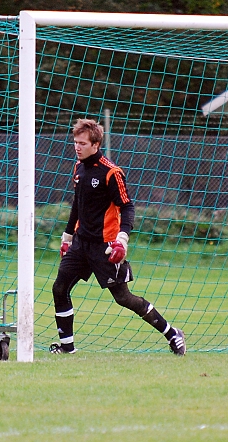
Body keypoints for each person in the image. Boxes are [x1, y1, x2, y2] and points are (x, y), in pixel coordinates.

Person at [50, 118, 186, 356]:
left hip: (105, 247)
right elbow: (77, 206)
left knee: (123, 298)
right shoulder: (78, 168)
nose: (77, 147)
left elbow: (128, 207)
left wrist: (122, 240)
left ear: (96, 144)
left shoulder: (111, 173)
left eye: (82, 143)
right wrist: (67, 237)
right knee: (59, 288)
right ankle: (67, 347)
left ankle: (172, 333)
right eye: (75, 142)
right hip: (81, 244)